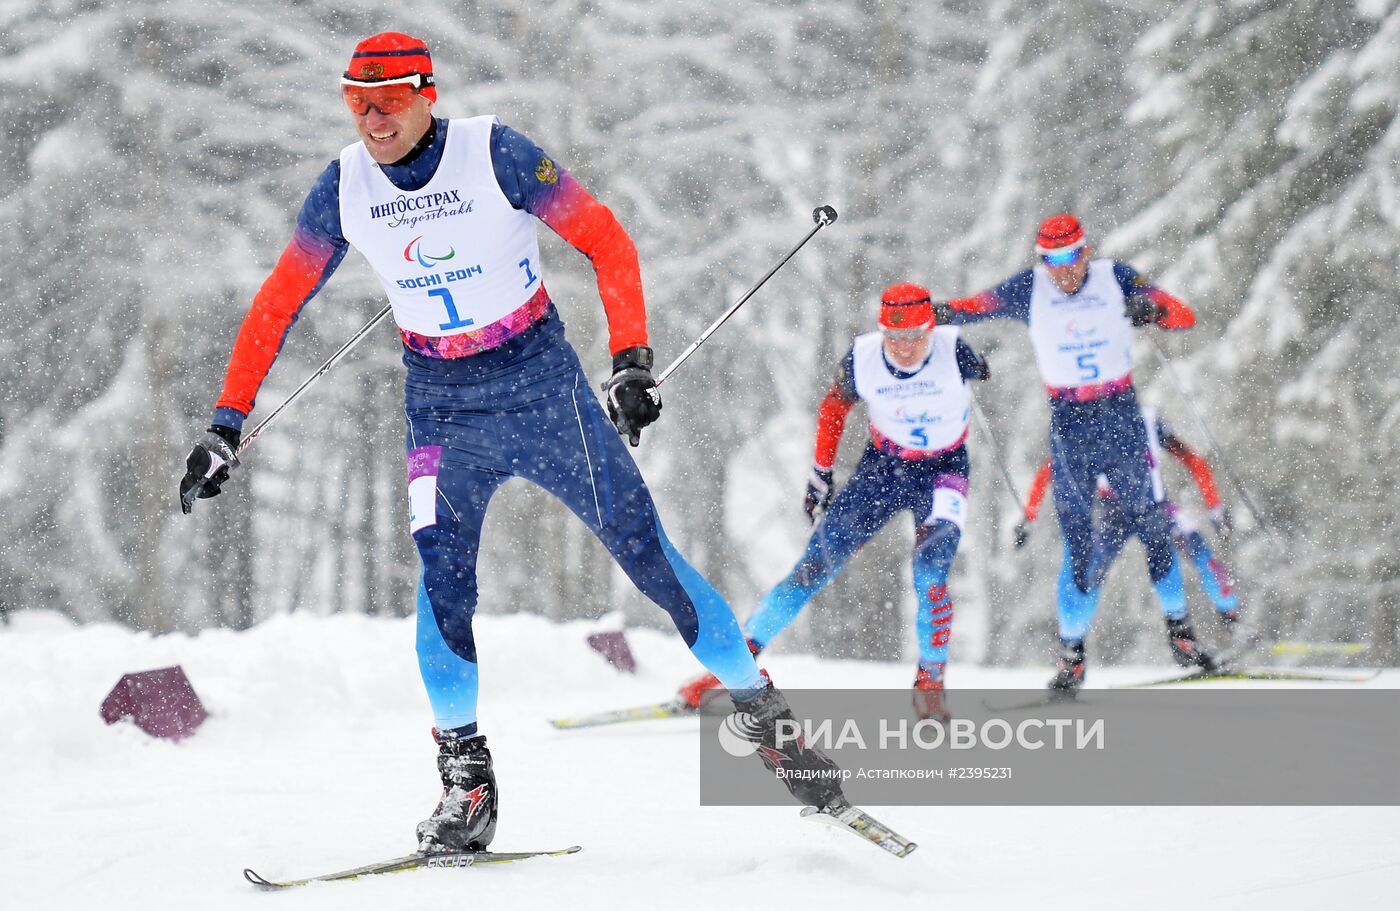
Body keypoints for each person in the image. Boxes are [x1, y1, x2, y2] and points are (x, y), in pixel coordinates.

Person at [177, 31, 843, 852]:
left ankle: (769, 722)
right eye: (355, 103)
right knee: (441, 575)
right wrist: (224, 425)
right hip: (442, 408)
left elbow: (606, 238)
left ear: (427, 92)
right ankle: (467, 788)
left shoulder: (493, 153)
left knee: (650, 559)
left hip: (542, 388)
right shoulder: (343, 187)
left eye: (386, 102)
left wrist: (630, 360)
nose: (371, 120)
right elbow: (278, 302)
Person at [933, 213, 1222, 694]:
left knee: (1153, 526)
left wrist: (1154, 311)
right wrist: (932, 313)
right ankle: (1072, 658)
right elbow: (970, 307)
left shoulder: (1117, 277)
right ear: (1041, 260)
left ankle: (1182, 635)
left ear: (1086, 251)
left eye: (1070, 257)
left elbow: (1183, 314)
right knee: (1078, 544)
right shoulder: (1029, 288)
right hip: (1070, 421)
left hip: (1121, 412)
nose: (1062, 270)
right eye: (1051, 260)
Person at [676, 283, 989, 721]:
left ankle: (930, 682)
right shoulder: (862, 357)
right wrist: (820, 473)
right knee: (813, 567)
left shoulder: (954, 350)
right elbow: (833, 409)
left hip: (945, 472)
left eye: (914, 337)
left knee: (931, 576)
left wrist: (981, 367)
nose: (902, 348)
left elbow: (989, 328)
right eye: (893, 338)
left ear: (931, 329)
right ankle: (733, 669)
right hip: (883, 470)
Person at [1014, 405, 1242, 646]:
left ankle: (1231, 619)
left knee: (1197, 551)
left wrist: (1216, 509)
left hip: (1149, 507)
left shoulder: (1141, 421)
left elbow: (1193, 460)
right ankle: (1072, 645)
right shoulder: (1104, 424)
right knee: (1089, 573)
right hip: (1122, 512)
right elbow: (1049, 472)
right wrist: (1027, 518)